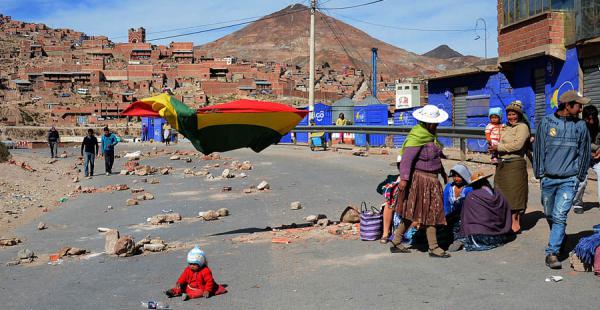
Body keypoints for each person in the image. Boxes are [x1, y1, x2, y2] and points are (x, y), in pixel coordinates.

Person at [533, 90, 591, 269]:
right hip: (548, 179)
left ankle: (552, 252)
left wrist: (579, 176)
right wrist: (540, 174)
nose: (581, 108)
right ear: (567, 105)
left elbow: (584, 152)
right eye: (578, 105)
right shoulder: (547, 122)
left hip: (569, 180)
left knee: (559, 216)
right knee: (549, 214)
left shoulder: (580, 126)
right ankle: (560, 237)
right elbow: (539, 149)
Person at [390, 104, 450, 258]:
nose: (437, 125)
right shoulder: (417, 137)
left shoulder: (430, 137)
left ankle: (396, 241)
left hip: (432, 180)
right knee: (427, 212)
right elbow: (406, 160)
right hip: (420, 180)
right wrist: (404, 179)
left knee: (422, 211)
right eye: (435, 123)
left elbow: (435, 158)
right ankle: (433, 247)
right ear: (428, 123)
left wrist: (443, 173)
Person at [490, 101, 530, 233]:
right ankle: (504, 220)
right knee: (501, 193)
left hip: (515, 164)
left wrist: (499, 147)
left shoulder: (522, 127)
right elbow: (500, 142)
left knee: (515, 194)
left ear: (519, 115)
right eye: (509, 115)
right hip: (502, 164)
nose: (511, 117)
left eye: (513, 114)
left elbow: (518, 145)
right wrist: (493, 148)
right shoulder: (505, 127)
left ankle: (515, 221)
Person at [460, 174, 513, 251]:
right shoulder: (498, 194)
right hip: (501, 235)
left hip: (480, 236)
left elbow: (466, 217)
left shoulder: (472, 196)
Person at [573, 105, 599, 214]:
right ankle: (577, 203)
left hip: (597, 157)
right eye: (589, 119)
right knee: (581, 181)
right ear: (584, 118)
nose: (591, 122)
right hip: (583, 156)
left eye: (593, 118)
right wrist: (595, 148)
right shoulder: (579, 125)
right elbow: (579, 143)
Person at [442, 164, 473, 252]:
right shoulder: (449, 187)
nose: (456, 179)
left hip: (466, 218)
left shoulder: (469, 189)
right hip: (451, 217)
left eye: (458, 176)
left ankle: (460, 240)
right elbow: (446, 204)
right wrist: (445, 218)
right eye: (454, 176)